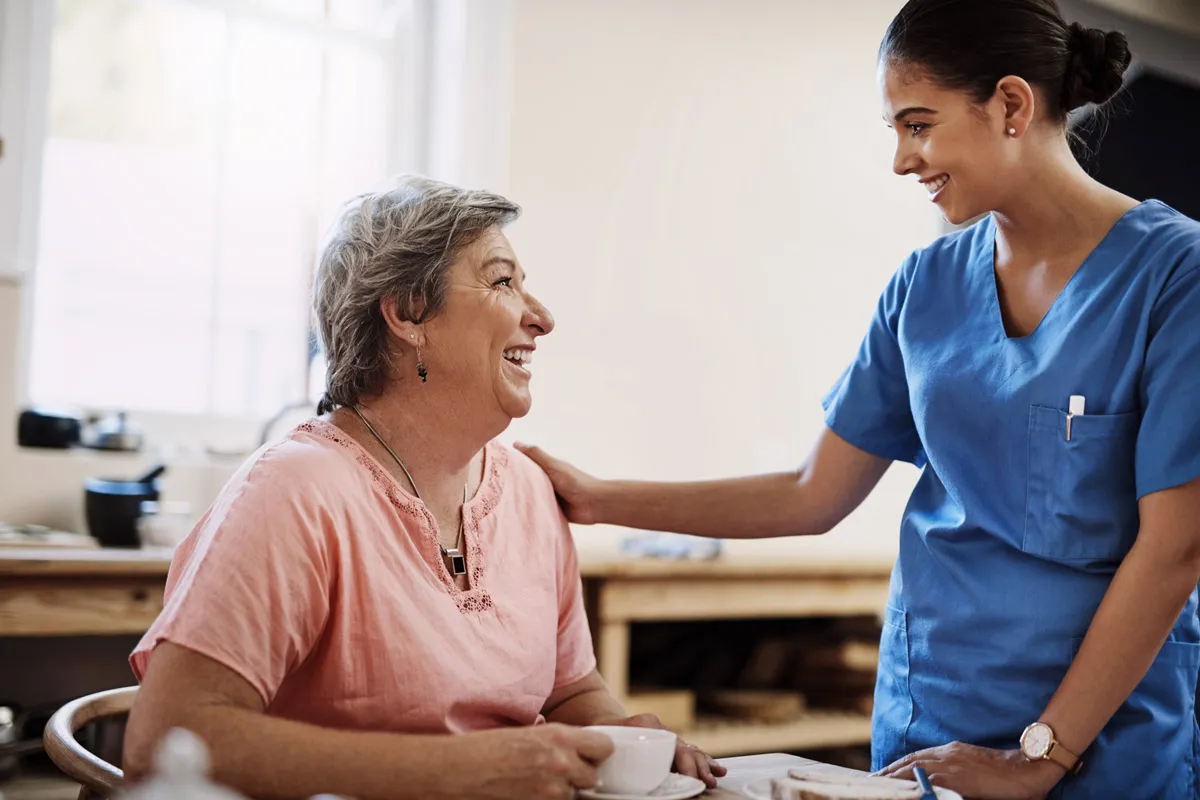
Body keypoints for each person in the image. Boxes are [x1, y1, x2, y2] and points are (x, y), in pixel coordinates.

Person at [516, 2, 1200, 798]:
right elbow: (814, 493)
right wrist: (598, 499)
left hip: (1103, 740)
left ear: (1011, 105)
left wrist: (1039, 758)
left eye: (918, 124)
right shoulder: (924, 287)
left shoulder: (1174, 279)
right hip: (929, 718)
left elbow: (1174, 550)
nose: (903, 161)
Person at [122, 176, 724, 799]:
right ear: (409, 312)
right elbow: (165, 742)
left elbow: (569, 689)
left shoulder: (528, 492)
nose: (541, 317)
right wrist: (463, 770)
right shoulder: (294, 491)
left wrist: (625, 739)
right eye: (501, 282)